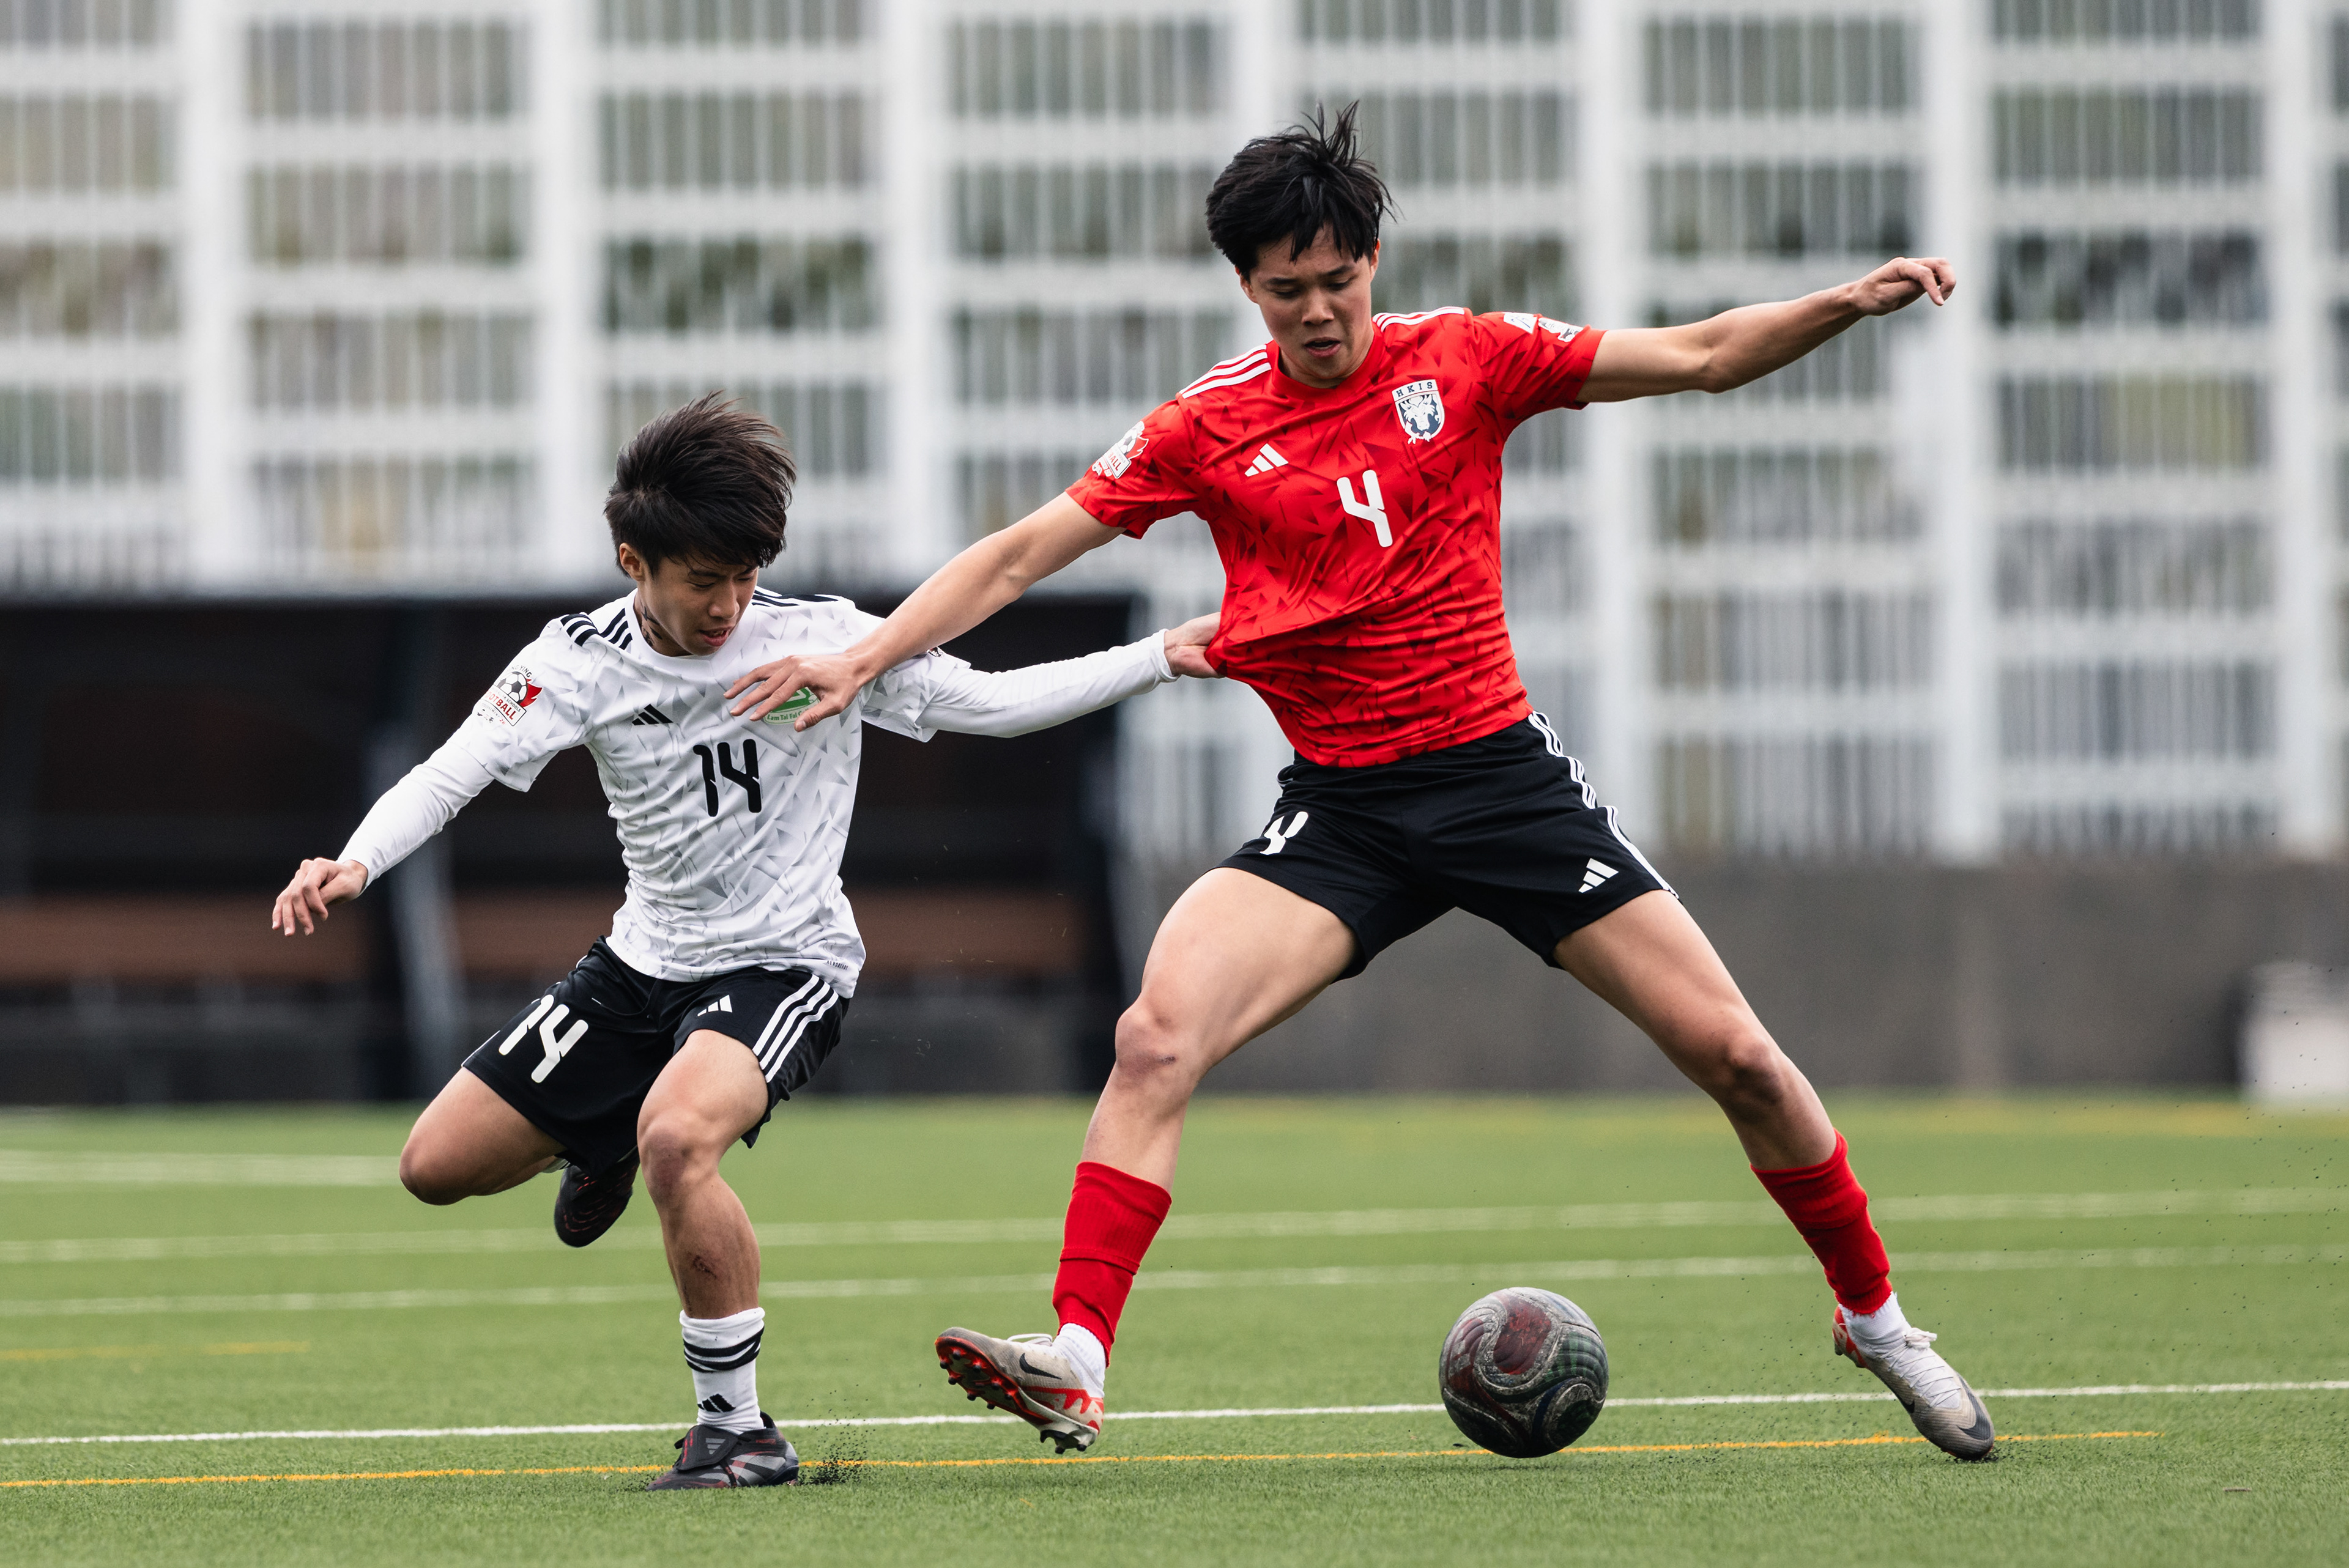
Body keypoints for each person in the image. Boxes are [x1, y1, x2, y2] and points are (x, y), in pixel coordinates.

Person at [728, 108, 1993, 1463]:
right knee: (1157, 1035)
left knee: (1742, 1057)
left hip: (1501, 785)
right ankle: (1078, 1358)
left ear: (1374, 260)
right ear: (1246, 287)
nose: (1322, 310)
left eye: (1341, 279)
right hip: (1342, 814)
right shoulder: (1205, 427)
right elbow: (1019, 555)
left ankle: (1874, 1316)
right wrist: (870, 653)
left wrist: (1848, 302)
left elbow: (1698, 355)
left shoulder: (1470, 359)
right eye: (1290, 289)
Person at [269, 394, 1217, 1488]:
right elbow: (453, 769)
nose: (730, 604)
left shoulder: (826, 640)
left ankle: (737, 1430)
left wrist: (1156, 655)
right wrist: (353, 860)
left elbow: (990, 704)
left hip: (786, 964)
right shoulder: (574, 663)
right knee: (433, 1168)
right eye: (702, 579)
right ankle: (608, 1137)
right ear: (634, 560)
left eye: (746, 575)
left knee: (682, 1137)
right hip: (638, 968)